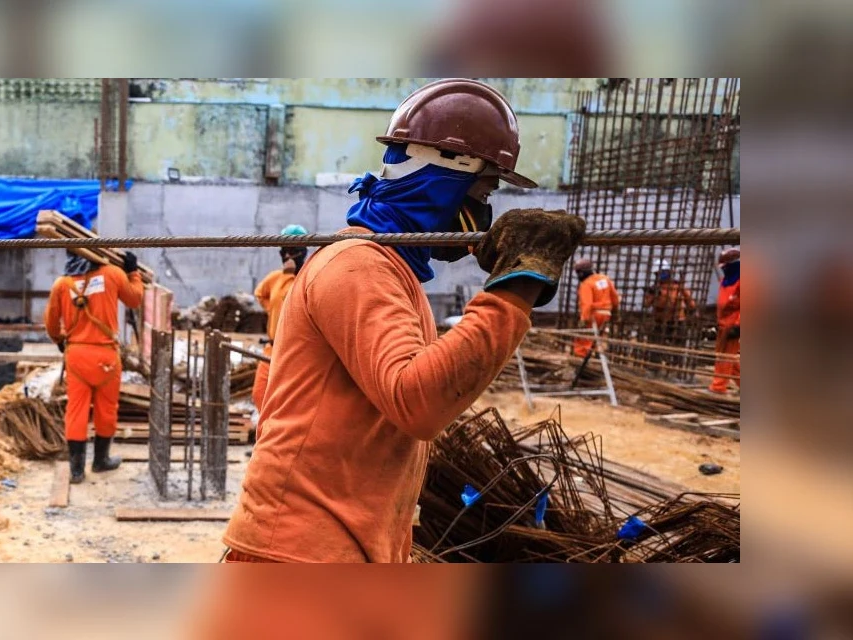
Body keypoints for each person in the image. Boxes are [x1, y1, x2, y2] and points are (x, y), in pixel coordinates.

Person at [221, 79, 585, 562]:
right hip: (301, 554)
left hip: (336, 547)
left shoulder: (390, 271)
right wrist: (519, 284)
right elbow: (419, 402)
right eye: (482, 190)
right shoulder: (358, 265)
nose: (484, 211)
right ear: (443, 180)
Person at [44, 250, 144, 483]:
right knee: (106, 409)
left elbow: (50, 323)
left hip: (77, 356)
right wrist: (133, 272)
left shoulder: (62, 283)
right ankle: (101, 460)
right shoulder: (112, 274)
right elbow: (135, 299)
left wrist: (60, 339)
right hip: (106, 357)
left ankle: (76, 471)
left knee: (76, 411)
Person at [250, 224, 309, 439]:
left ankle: (283, 439)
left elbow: (294, 299)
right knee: (260, 394)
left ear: (303, 252)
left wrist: (291, 274)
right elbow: (261, 294)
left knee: (288, 400)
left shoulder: (306, 278)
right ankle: (267, 437)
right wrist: (272, 310)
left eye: (293, 250)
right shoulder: (275, 278)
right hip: (272, 346)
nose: (287, 255)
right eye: (284, 250)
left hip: (294, 351)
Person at [643, 259, 698, 351]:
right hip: (660, 323)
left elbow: (690, 302)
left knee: (678, 349)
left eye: (662, 272)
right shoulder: (654, 288)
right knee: (656, 350)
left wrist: (693, 311)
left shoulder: (677, 286)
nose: (660, 275)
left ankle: (676, 364)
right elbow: (646, 305)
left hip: (677, 322)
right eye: (657, 273)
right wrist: (653, 295)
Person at [572, 258, 619, 357]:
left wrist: (583, 319)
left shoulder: (586, 284)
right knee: (599, 338)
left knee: (584, 338)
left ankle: (581, 361)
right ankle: (597, 357)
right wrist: (615, 312)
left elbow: (587, 304)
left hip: (594, 315)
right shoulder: (605, 278)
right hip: (606, 314)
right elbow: (615, 297)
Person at [709, 248, 741, 394]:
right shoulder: (725, 281)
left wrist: (738, 326)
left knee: (724, 358)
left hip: (734, 325)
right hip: (723, 324)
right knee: (728, 358)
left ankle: (718, 388)